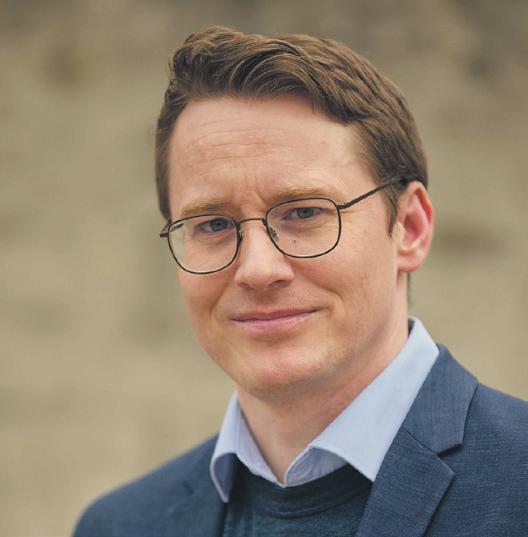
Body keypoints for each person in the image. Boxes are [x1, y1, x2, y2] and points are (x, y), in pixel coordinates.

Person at [73, 26, 527, 537]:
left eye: (305, 212)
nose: (257, 269)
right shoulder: (121, 525)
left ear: (410, 228)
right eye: (213, 224)